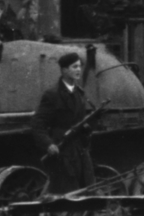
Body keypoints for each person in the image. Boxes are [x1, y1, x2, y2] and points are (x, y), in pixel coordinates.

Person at [31, 52, 97, 193]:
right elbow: (38, 124)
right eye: (74, 67)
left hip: (80, 149)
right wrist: (48, 144)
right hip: (63, 150)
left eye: (79, 66)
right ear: (64, 70)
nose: (79, 70)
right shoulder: (52, 94)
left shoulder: (80, 93)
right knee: (68, 189)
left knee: (87, 187)